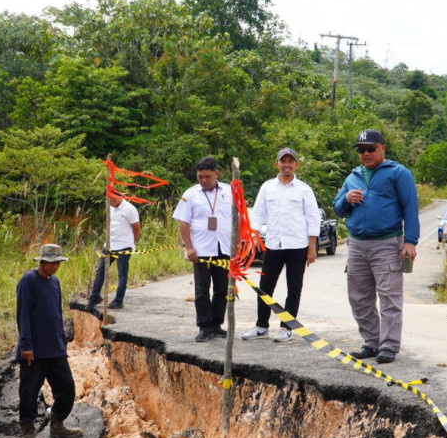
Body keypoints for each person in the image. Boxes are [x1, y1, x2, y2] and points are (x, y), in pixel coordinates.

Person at [333, 129, 419, 364]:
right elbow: (338, 209)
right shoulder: (352, 176)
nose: (366, 153)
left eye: (371, 148)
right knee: (359, 297)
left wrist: (410, 241)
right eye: (361, 150)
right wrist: (346, 199)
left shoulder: (399, 173)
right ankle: (372, 342)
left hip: (387, 242)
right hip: (356, 244)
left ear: (383, 148)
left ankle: (389, 345)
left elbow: (410, 208)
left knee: (389, 295)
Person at [242, 147, 321, 343]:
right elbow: (258, 214)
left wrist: (311, 248)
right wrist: (254, 238)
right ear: (277, 164)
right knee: (265, 285)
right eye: (283, 161)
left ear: (296, 164)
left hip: (297, 246)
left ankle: (287, 328)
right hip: (273, 245)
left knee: (294, 288)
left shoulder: (304, 189)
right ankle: (261, 326)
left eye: (290, 161)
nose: (287, 165)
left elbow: (313, 219)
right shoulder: (267, 187)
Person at [16, 243, 83, 438]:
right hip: (33, 351)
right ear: (42, 261)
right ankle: (28, 432)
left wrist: (62, 341)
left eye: (58, 263)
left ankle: (57, 424)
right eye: (51, 262)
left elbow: (56, 313)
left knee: (67, 389)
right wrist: (26, 344)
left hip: (54, 348)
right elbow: (23, 314)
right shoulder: (28, 281)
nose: (55, 266)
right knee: (29, 393)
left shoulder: (54, 282)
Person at [173, 157, 233, 342]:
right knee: (201, 290)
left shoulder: (230, 191)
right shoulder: (190, 194)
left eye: (208, 176)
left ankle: (216, 325)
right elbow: (183, 223)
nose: (204, 180)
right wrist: (189, 248)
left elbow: (238, 218)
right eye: (200, 177)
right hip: (201, 250)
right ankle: (204, 326)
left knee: (222, 289)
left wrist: (239, 245)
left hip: (223, 248)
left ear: (217, 174)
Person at [85, 195, 140, 311]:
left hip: (124, 246)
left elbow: (136, 227)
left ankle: (118, 301)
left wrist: (132, 242)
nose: (108, 203)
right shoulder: (110, 208)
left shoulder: (130, 209)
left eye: (110, 201)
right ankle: (95, 296)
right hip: (109, 245)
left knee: (122, 274)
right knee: (100, 270)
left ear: (117, 198)